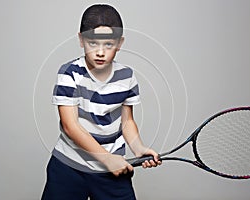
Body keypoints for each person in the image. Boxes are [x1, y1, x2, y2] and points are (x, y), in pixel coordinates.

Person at [42, 4, 161, 200]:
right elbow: (70, 126)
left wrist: (138, 148)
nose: (100, 52)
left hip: (112, 171)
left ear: (120, 43)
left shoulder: (127, 76)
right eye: (93, 43)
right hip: (69, 167)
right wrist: (107, 159)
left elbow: (127, 121)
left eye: (108, 44)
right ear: (81, 40)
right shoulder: (69, 73)